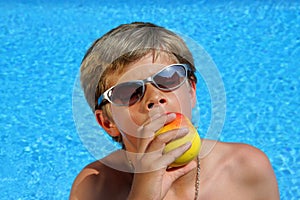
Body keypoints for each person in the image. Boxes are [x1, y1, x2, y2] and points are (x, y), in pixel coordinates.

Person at [70, 22, 279, 200]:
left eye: (168, 78)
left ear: (191, 92)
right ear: (108, 123)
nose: (154, 97)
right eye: (129, 92)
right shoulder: (94, 188)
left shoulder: (247, 169)